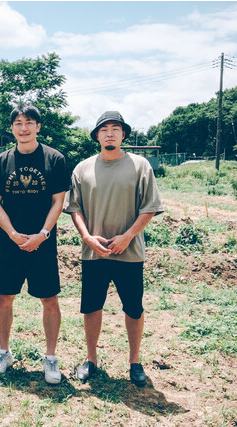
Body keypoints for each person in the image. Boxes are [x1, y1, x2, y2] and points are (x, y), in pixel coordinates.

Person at [64, 111, 164, 386]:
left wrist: (127, 237)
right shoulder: (82, 168)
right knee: (92, 306)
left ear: (124, 135)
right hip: (94, 251)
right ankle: (91, 359)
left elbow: (150, 207)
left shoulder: (140, 165)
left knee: (133, 307)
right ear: (96, 136)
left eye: (116, 129)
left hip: (129, 253)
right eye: (104, 129)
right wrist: (87, 237)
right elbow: (75, 209)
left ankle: (135, 361)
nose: (110, 133)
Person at [0, 104, 71, 385]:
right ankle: (3, 352)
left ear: (38, 127)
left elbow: (59, 201)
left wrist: (43, 234)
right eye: (18, 123)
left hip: (43, 242)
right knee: (5, 297)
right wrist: (11, 233)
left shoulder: (54, 159)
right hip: (9, 242)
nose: (24, 127)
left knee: (49, 299)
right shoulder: (1, 162)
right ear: (12, 128)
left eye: (29, 122)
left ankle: (50, 358)